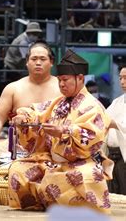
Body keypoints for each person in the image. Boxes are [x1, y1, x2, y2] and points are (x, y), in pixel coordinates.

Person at [8, 50, 112, 213]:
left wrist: (63, 131)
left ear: (80, 78)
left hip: (80, 162)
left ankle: (58, 202)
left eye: (65, 80)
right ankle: (41, 201)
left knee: (85, 177)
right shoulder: (58, 102)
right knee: (18, 171)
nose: (61, 85)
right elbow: (37, 112)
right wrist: (23, 118)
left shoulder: (92, 106)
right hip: (51, 160)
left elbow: (92, 135)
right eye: (59, 81)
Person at [0, 42, 62, 178]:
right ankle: (5, 181)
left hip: (53, 143)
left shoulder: (62, 87)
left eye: (43, 59)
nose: (38, 63)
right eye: (34, 59)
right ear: (27, 62)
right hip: (19, 143)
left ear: (51, 62)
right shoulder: (13, 88)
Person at [106, 65, 126, 195]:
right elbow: (103, 121)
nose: (123, 82)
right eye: (120, 78)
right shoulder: (116, 102)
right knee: (112, 195)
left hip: (124, 157)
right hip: (111, 156)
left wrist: (115, 124)